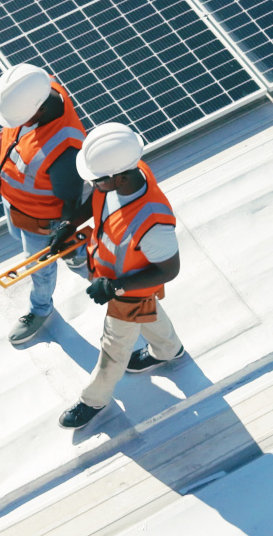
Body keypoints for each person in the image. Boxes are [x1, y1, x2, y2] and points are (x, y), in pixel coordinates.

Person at [54, 123, 185, 429]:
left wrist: (116, 287)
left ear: (120, 176)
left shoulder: (153, 223)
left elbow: (169, 270)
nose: (93, 184)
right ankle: (169, 350)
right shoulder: (123, 173)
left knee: (114, 347)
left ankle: (93, 400)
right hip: (113, 276)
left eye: (97, 180)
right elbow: (98, 200)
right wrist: (69, 224)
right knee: (149, 313)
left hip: (127, 289)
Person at [0, 63, 86, 344]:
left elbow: (71, 202)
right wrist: (1, 140)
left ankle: (41, 309)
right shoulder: (34, 87)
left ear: (39, 109)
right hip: (15, 204)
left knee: (37, 268)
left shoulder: (65, 151)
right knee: (18, 235)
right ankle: (77, 251)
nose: (15, 124)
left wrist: (63, 230)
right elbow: (20, 133)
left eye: (18, 119)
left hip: (42, 223)